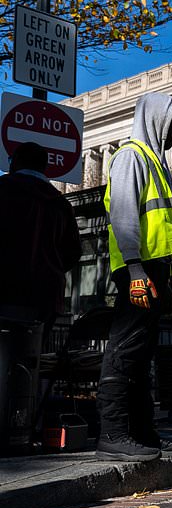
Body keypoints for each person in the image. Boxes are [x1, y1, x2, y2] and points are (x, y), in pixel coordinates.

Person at [97, 92, 172, 462]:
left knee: (140, 354)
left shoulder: (155, 163)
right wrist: (136, 270)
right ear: (155, 122)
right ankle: (114, 433)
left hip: (152, 272)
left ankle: (142, 433)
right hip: (137, 271)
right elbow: (122, 215)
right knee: (123, 351)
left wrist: (164, 280)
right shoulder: (131, 157)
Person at [0, 143, 81, 451]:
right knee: (30, 362)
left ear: (16, 162)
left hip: (5, 288)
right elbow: (72, 252)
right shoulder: (59, 203)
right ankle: (22, 427)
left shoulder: (4, 190)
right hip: (44, 296)